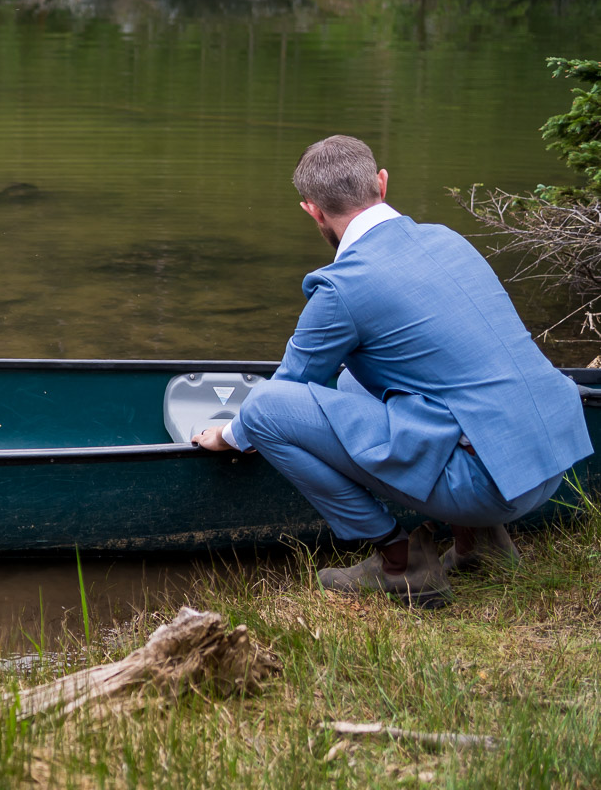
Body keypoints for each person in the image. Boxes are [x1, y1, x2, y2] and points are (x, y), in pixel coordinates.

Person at [193, 135, 591, 606]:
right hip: (549, 461)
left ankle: (401, 563)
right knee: (350, 380)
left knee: (262, 410)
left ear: (313, 212)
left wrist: (228, 435)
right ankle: (480, 544)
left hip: (488, 487)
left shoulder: (341, 286)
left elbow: (287, 390)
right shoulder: (448, 239)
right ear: (381, 183)